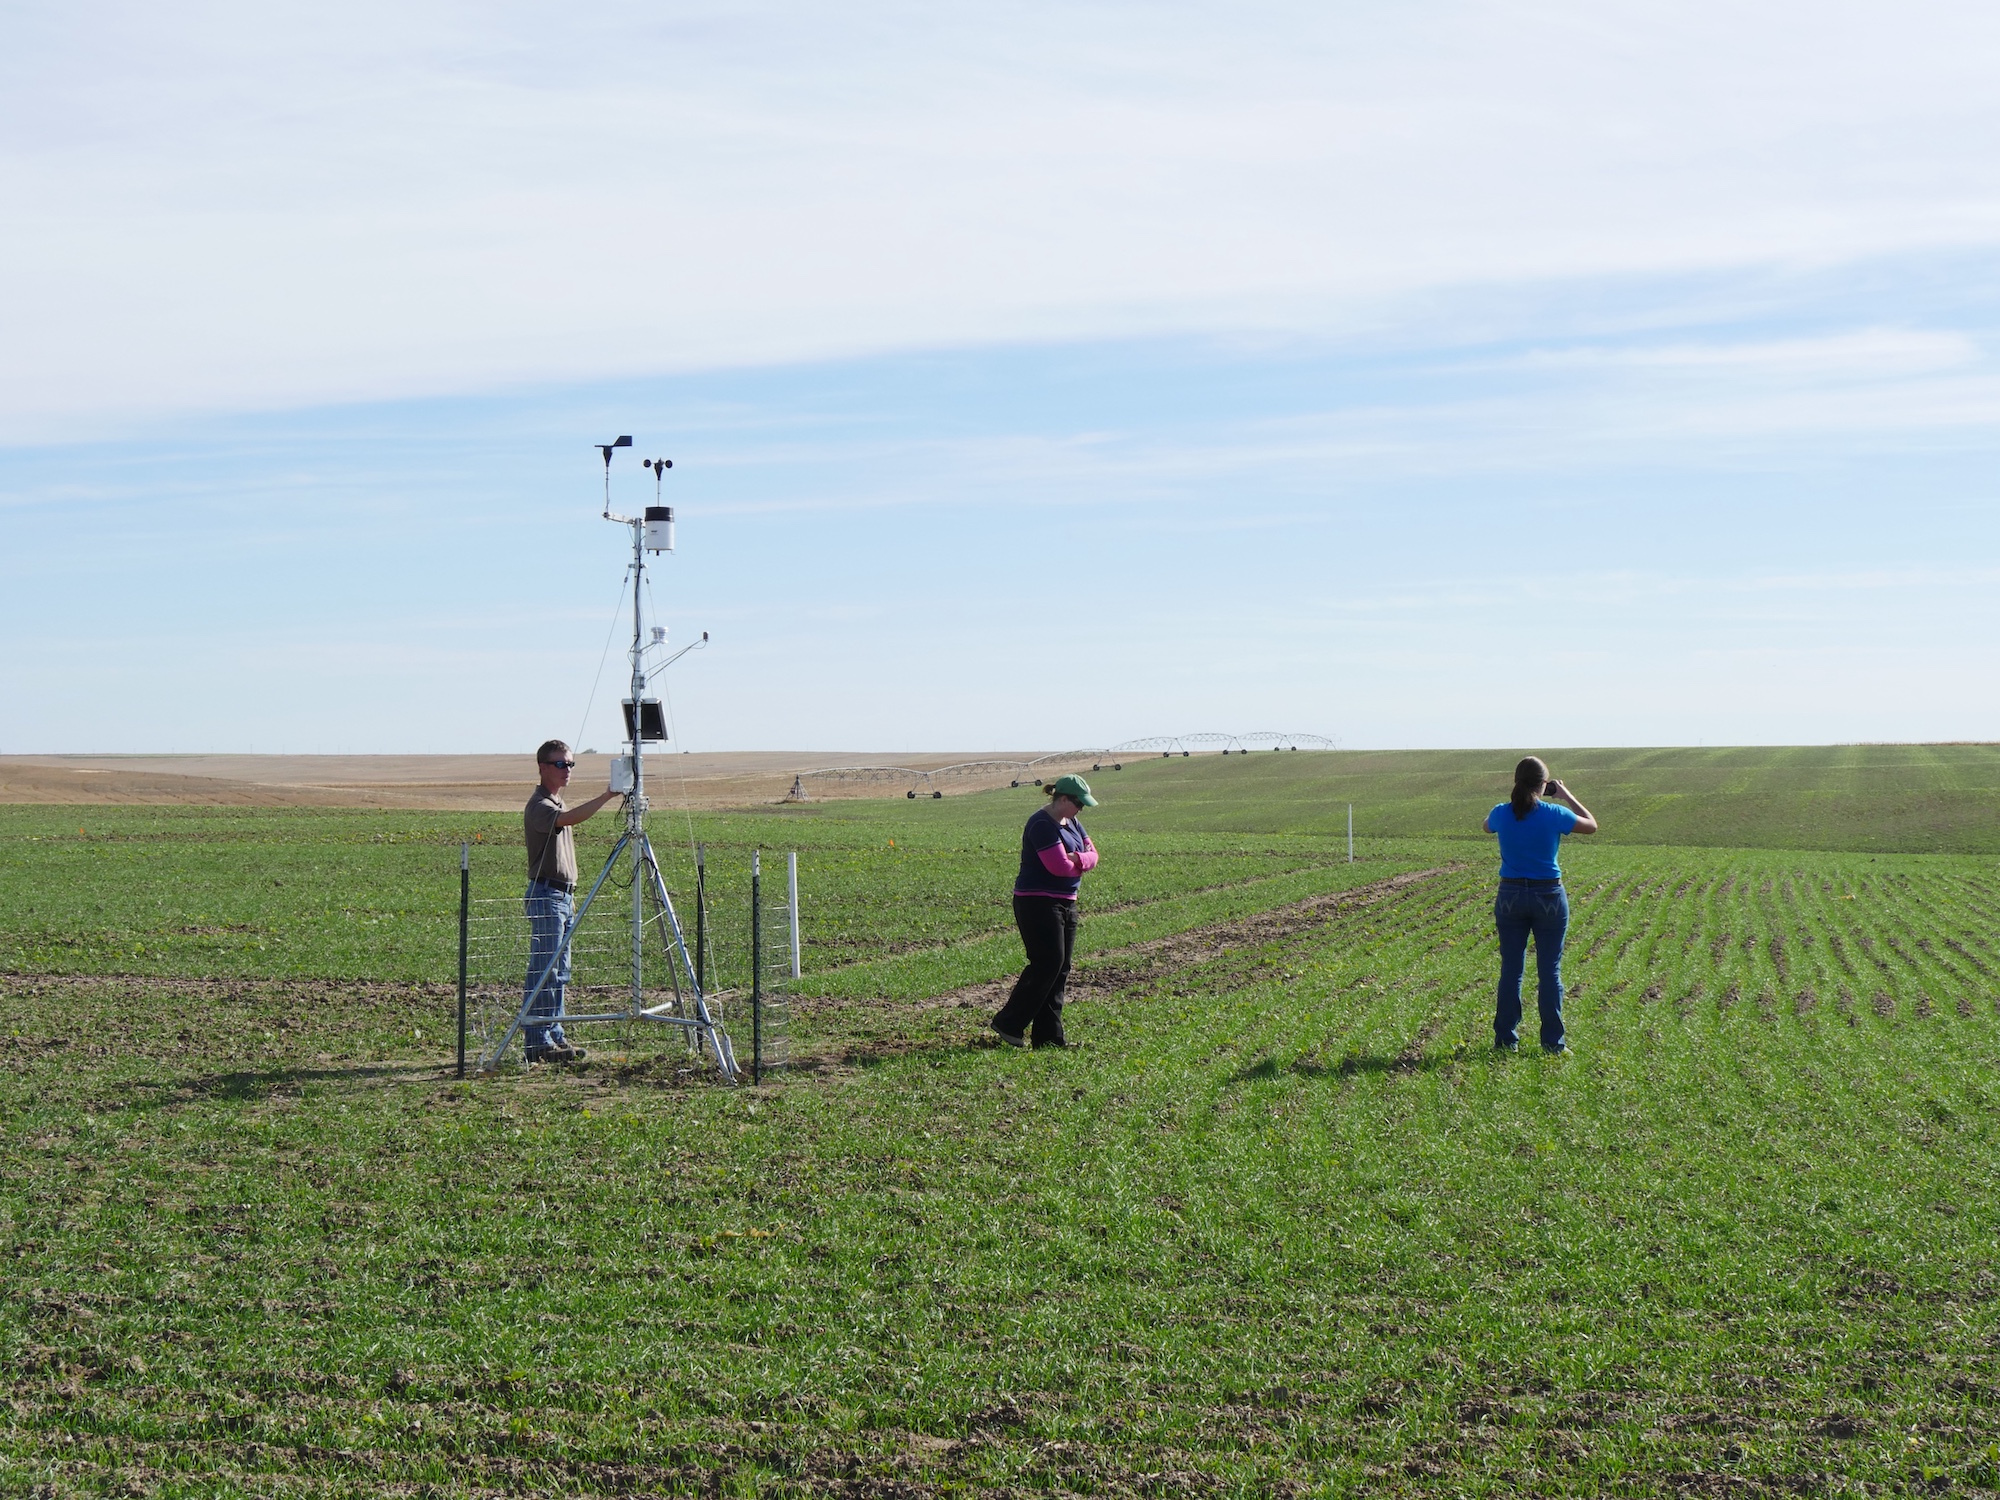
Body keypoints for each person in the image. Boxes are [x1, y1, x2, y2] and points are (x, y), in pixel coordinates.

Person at [1482, 756, 1598, 1055]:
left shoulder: (1500, 813)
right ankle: (1553, 1045)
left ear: (1516, 782)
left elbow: (1487, 827)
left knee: (1511, 970)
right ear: (1544, 784)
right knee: (1550, 971)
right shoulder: (1554, 812)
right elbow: (1592, 826)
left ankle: (1506, 1041)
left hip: (1509, 895)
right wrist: (1566, 795)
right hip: (1548, 896)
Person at [522, 739, 618, 1064]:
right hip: (547, 895)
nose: (567, 771)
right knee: (545, 970)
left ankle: (554, 1036)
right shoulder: (541, 806)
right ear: (543, 767)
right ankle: (538, 1040)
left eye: (571, 765)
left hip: (563, 897)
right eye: (561, 764)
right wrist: (607, 796)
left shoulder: (557, 803)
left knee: (559, 971)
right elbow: (571, 819)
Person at [992, 774, 1100, 1049]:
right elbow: (1059, 867)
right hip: (1037, 902)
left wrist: (1080, 859)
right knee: (1048, 963)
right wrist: (1079, 862)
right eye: (1079, 804)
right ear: (1063, 799)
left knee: (1060, 967)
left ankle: (1049, 1037)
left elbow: (1094, 855)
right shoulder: (1041, 824)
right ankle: (1009, 1022)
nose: (1081, 809)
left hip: (1066, 901)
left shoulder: (1072, 822)